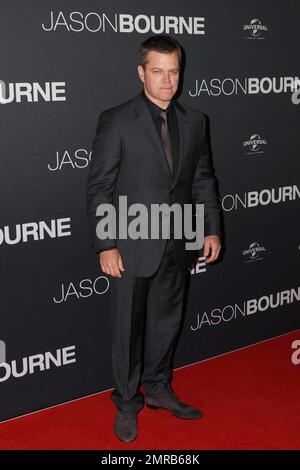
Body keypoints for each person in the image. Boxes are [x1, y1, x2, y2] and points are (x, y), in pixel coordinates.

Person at [86, 34, 222, 443]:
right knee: (128, 330)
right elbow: (99, 187)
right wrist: (106, 243)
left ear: (180, 72)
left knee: (167, 324)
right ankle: (128, 402)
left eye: (173, 71)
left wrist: (211, 228)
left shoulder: (196, 121)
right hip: (130, 243)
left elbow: (203, 179)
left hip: (178, 240)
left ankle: (159, 388)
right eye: (158, 71)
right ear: (141, 72)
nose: (167, 80)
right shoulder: (117, 119)